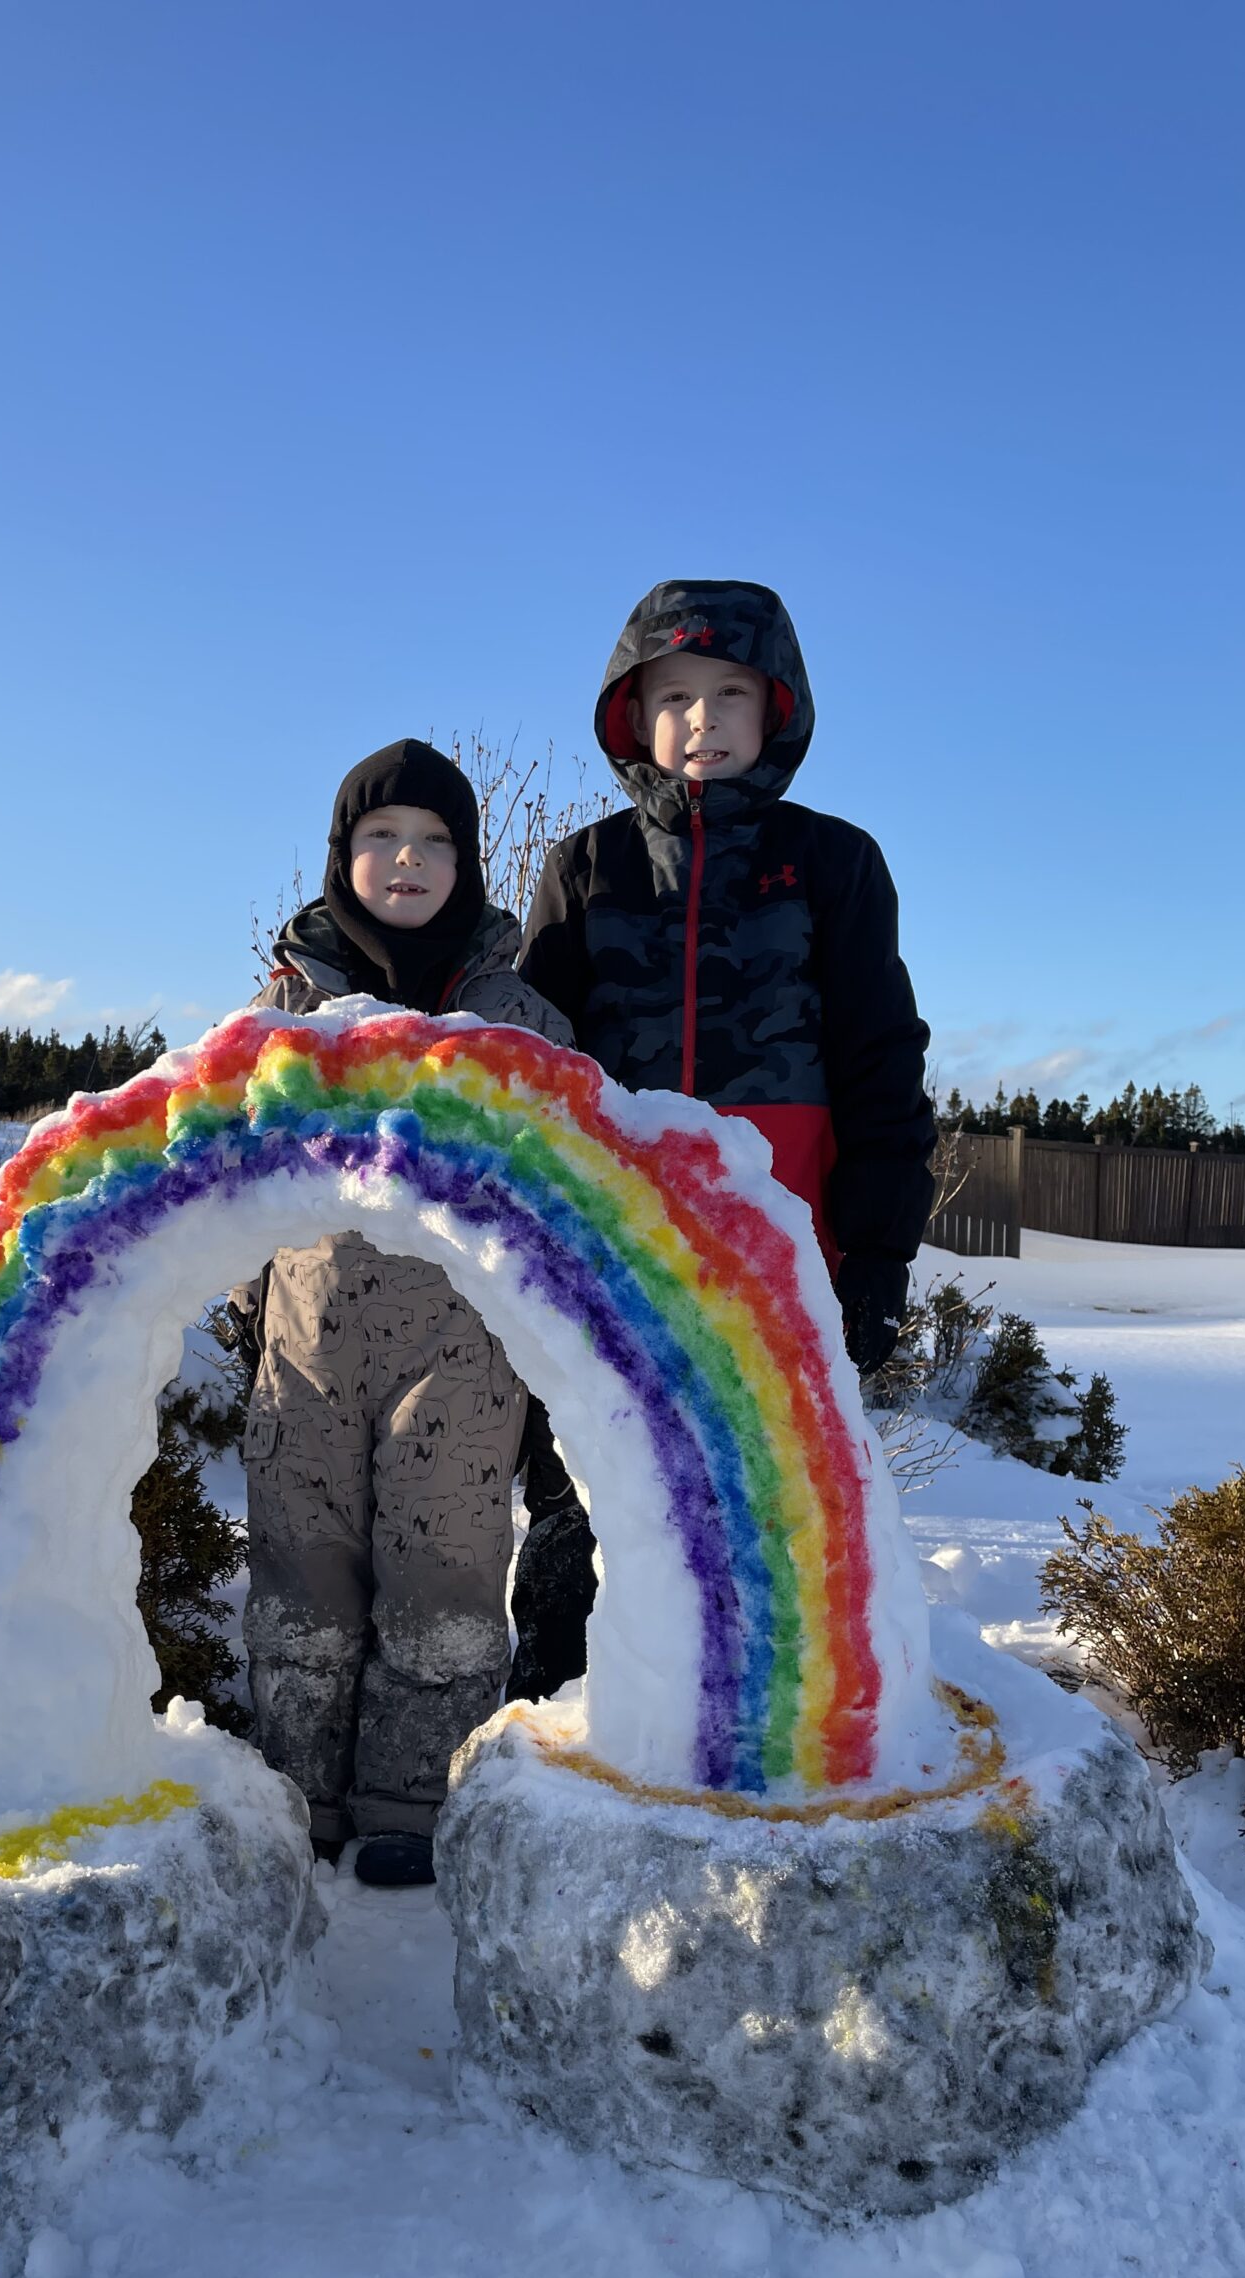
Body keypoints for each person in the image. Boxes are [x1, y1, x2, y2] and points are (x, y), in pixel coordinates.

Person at [511, 580, 937, 1690]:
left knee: (771, 1501)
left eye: (730, 693)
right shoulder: (587, 867)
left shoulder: (835, 863)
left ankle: (763, 1720)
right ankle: (559, 1710)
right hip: (612, 1248)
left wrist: (878, 1252)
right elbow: (528, 1057)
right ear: (633, 714)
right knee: (584, 1486)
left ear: (776, 706)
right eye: (675, 696)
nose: (702, 719)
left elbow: (883, 1061)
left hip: (784, 1250)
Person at [239, 738, 572, 1888]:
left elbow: (564, 1187)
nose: (407, 859)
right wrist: (249, 1309)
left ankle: (410, 1802)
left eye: (435, 841)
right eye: (381, 837)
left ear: (468, 862)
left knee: (446, 1570)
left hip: (463, 1351)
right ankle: (295, 1794)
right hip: (306, 1340)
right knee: (302, 1573)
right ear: (342, 856)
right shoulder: (282, 1010)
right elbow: (223, 1174)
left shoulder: (519, 1020)